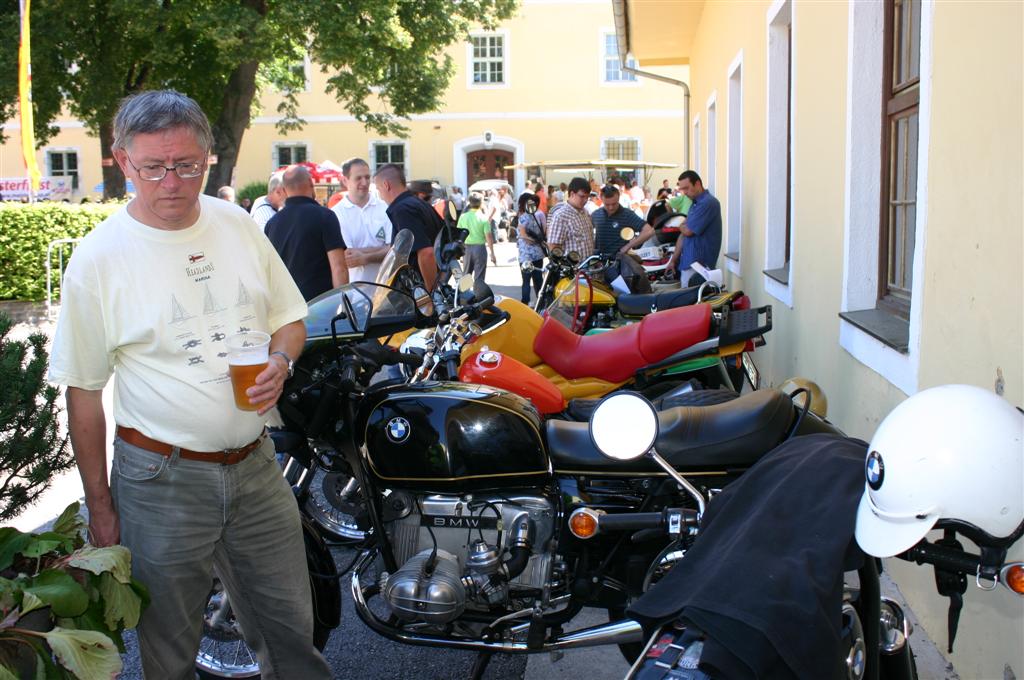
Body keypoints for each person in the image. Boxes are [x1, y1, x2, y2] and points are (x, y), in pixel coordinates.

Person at [47, 89, 331, 679]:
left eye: (188, 165)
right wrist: (101, 507)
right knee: (170, 651)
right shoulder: (98, 258)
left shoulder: (238, 224)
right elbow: (83, 392)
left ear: (209, 156)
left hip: (256, 466)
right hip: (159, 481)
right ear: (123, 161)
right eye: (153, 167)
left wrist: (281, 361)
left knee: (291, 638)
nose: (172, 182)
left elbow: (290, 319)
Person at [265, 164, 348, 300]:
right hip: (320, 305)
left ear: (284, 190)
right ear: (311, 182)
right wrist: (343, 305)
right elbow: (339, 267)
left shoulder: (272, 223)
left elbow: (269, 270)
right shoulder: (325, 216)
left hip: (288, 307)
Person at [373, 163, 439, 290]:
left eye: (378, 189)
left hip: (419, 292)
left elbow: (426, 253)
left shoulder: (402, 210)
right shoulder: (420, 204)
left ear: (386, 185)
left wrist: (431, 294)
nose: (380, 195)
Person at [331, 157, 392, 283]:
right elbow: (348, 256)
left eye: (367, 177)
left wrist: (366, 257)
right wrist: (381, 249)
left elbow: (394, 249)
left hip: (384, 290)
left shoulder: (385, 207)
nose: (364, 183)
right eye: (358, 178)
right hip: (354, 293)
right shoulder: (336, 213)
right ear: (345, 180)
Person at [667, 170, 722, 284]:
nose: (685, 192)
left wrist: (681, 225)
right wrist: (673, 261)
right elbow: (683, 234)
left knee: (690, 300)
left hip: (699, 266)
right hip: (689, 263)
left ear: (697, 184)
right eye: (682, 189)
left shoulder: (708, 203)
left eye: (687, 188)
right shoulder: (695, 203)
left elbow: (688, 231)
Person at [592, 184, 653, 257]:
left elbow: (649, 231)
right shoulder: (596, 214)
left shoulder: (627, 214)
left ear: (618, 198)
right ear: (601, 199)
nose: (611, 208)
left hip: (618, 261)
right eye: (607, 204)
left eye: (614, 204)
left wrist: (628, 246)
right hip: (598, 261)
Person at [546, 177, 594, 258]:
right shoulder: (561, 216)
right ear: (572, 194)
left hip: (589, 267)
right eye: (582, 196)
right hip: (573, 269)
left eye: (587, 197)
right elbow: (553, 247)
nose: (585, 200)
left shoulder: (585, 212)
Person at [516, 192, 546, 304]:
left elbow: (524, 236)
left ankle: (525, 303)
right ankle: (541, 303)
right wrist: (539, 242)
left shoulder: (523, 217)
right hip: (538, 254)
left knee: (526, 281)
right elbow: (542, 233)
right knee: (538, 280)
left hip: (526, 255)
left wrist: (532, 240)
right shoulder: (537, 216)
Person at [457, 194, 496, 279]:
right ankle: (478, 292)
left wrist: (459, 253)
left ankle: (465, 292)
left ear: (470, 203)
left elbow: (459, 235)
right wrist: (492, 253)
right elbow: (489, 237)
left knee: (466, 276)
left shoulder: (463, 217)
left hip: (466, 249)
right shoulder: (484, 218)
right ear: (481, 203)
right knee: (480, 277)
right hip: (480, 248)